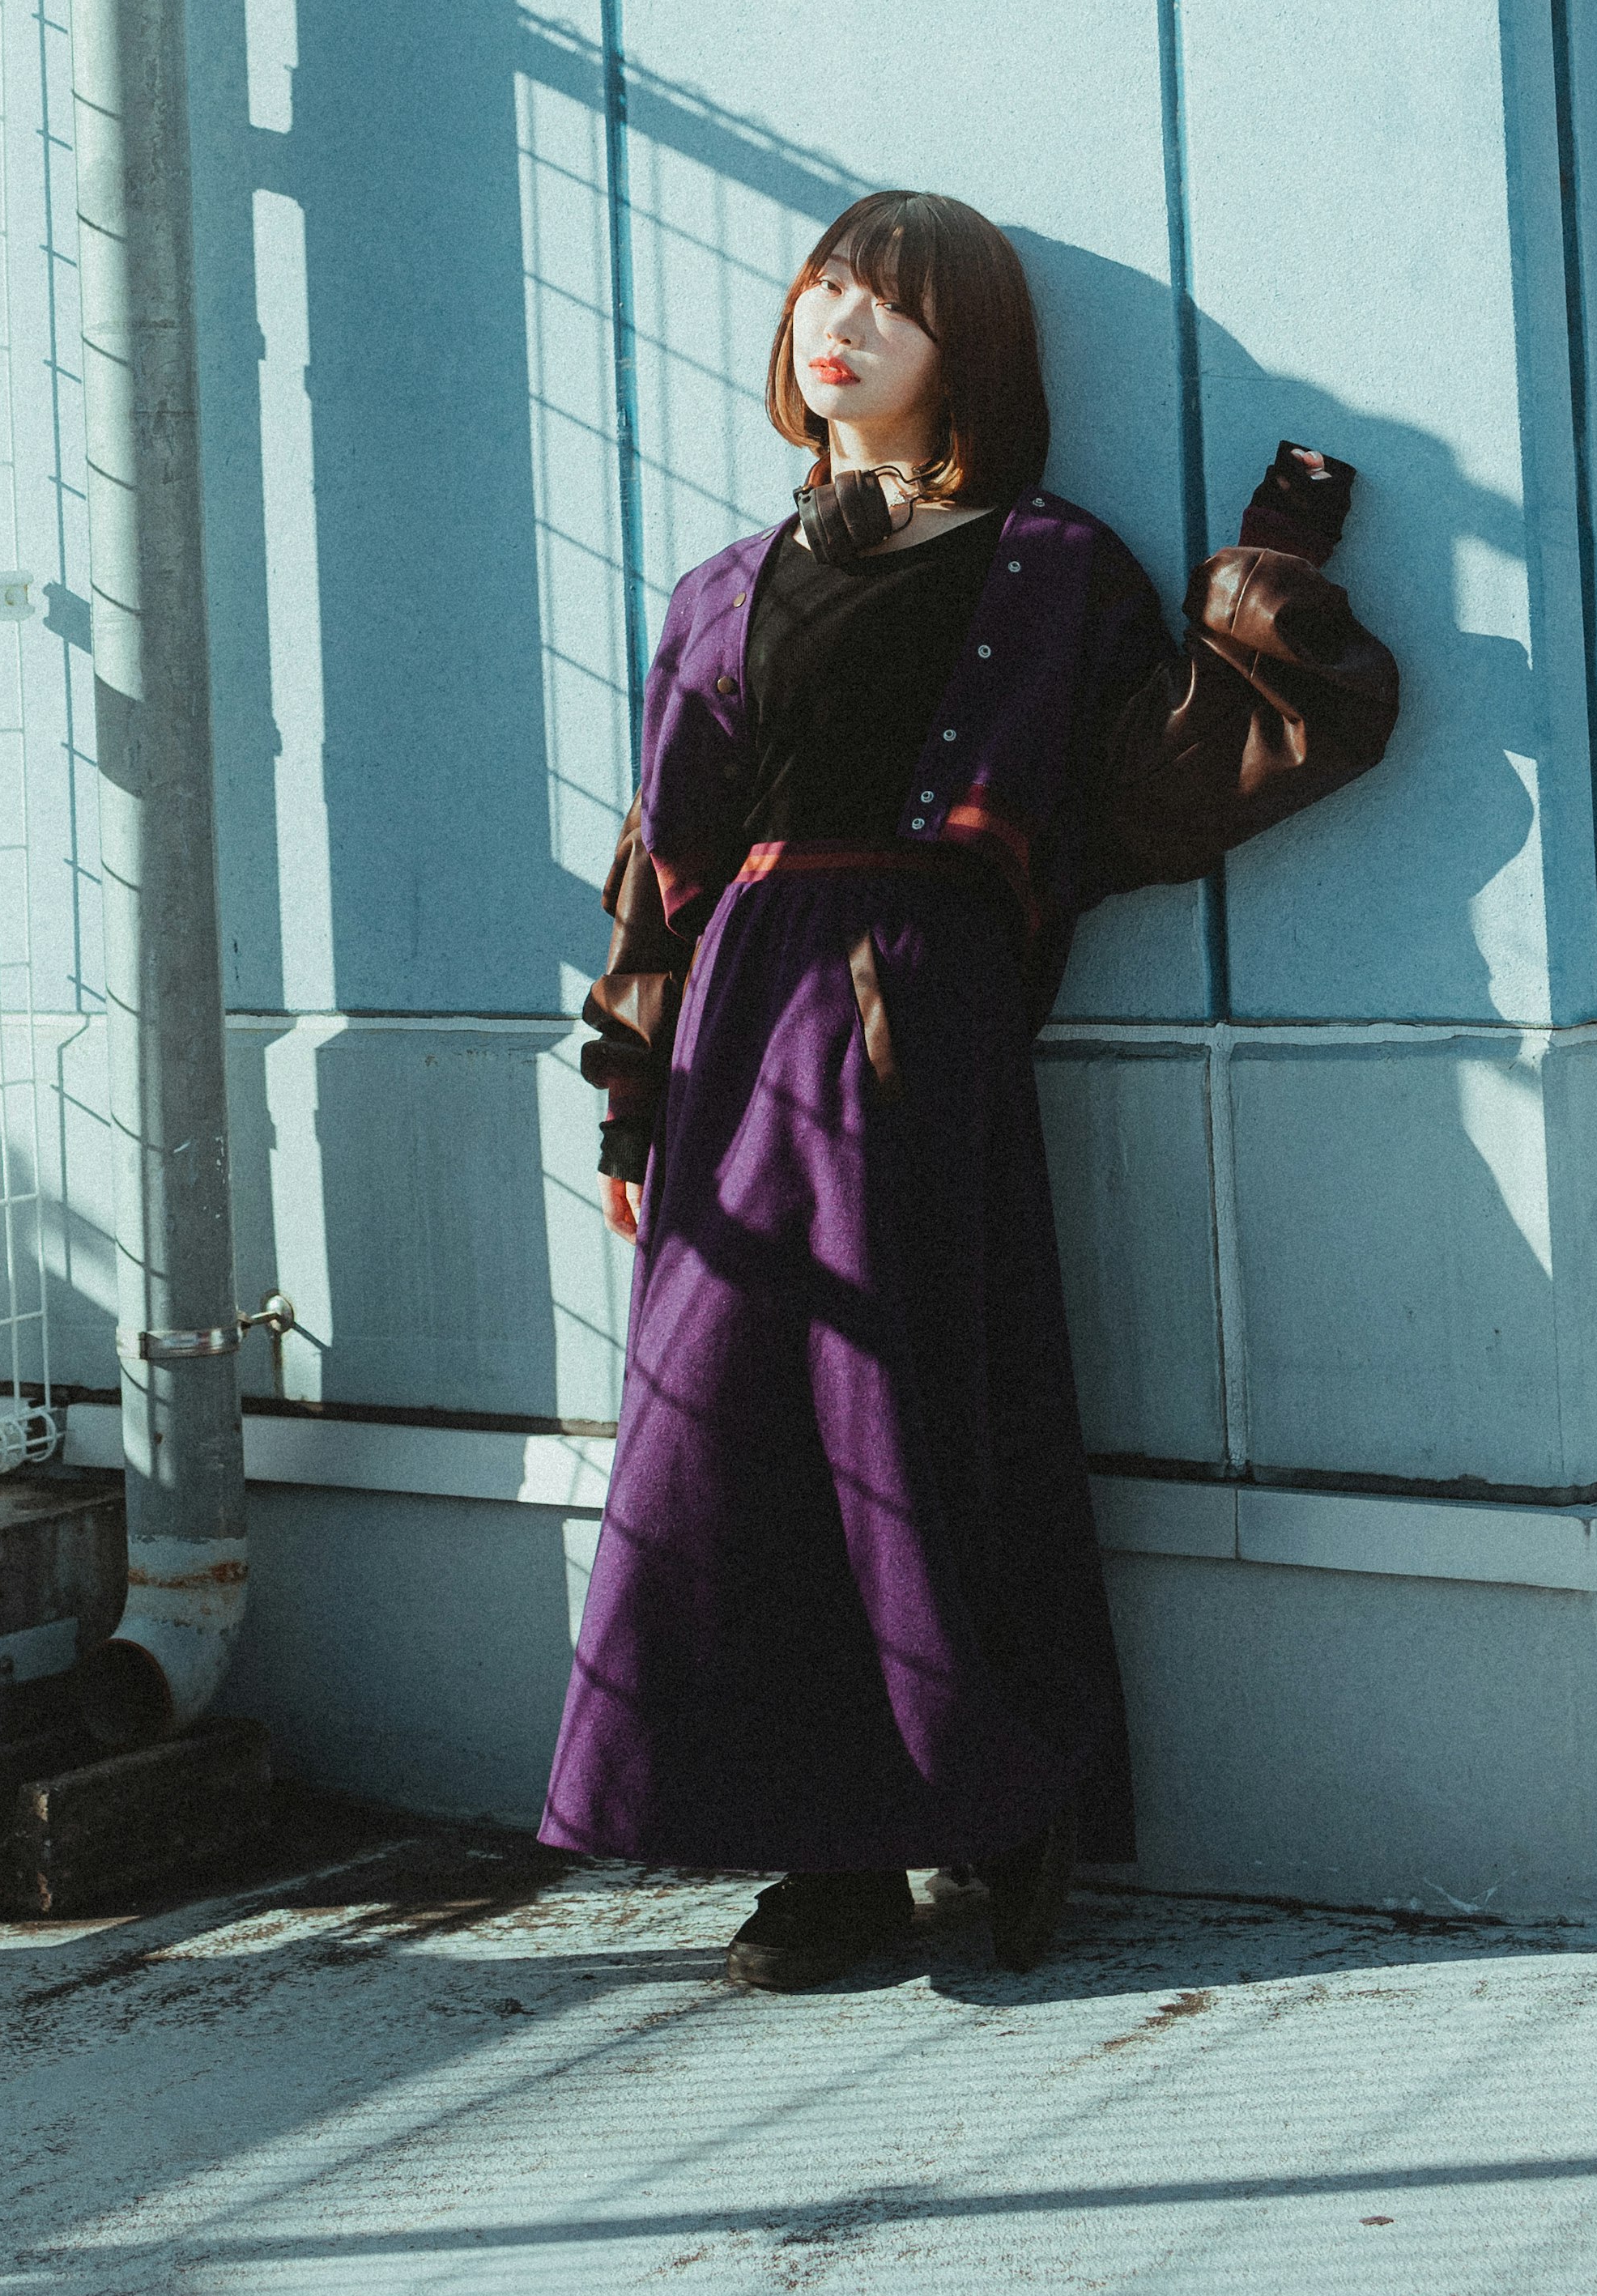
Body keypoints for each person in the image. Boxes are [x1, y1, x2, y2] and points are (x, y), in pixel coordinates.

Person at [539, 189, 1398, 1990]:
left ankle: (992, 1806)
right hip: (733, 1034)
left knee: (911, 1416)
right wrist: (631, 1093)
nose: (837, 323)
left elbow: (1163, 780)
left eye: (892, 303)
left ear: (971, 355)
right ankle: (814, 1849)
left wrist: (1275, 558)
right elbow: (663, 862)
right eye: (823, 289)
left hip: (916, 1024)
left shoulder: (1048, 566)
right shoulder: (722, 591)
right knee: (723, 1441)